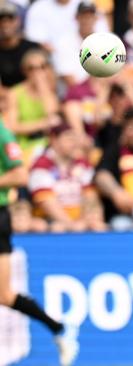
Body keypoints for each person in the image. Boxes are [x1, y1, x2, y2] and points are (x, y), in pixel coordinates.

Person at [0, 119, 78, 365]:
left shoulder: (2, 133)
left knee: (3, 293)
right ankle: (59, 328)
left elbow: (20, 174)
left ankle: (60, 329)